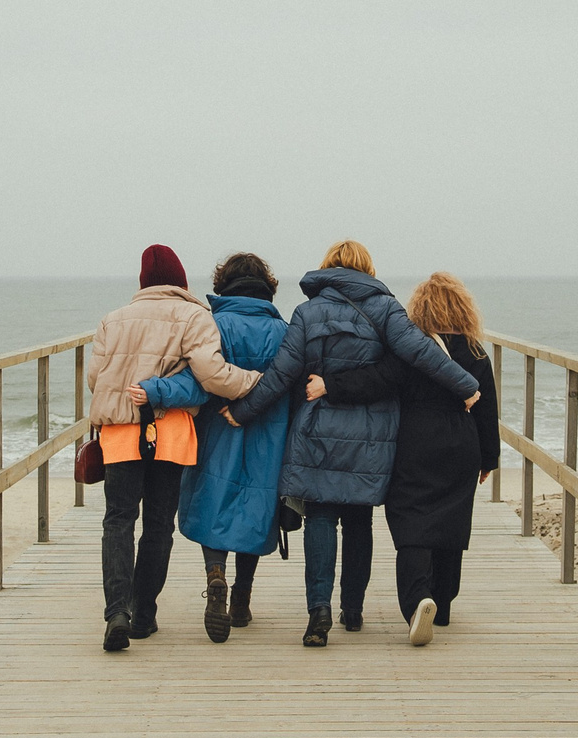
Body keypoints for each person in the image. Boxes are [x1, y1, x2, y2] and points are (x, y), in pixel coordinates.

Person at [222, 240, 478, 648]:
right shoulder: (386, 309)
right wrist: (466, 385)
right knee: (359, 520)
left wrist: (242, 411)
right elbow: (420, 353)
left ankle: (318, 610)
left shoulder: (307, 313)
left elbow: (282, 373)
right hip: (372, 437)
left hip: (317, 431)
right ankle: (353, 610)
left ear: (327, 269)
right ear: (367, 269)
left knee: (320, 518)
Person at [88, 245, 265, 653]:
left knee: (117, 520)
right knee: (157, 525)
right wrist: (257, 382)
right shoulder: (194, 317)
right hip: (168, 434)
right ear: (181, 280)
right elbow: (213, 375)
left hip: (118, 434)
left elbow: (96, 378)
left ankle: (117, 611)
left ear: (142, 282)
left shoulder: (111, 320)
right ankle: (144, 614)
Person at [311, 272, 499, 646]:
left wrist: (330, 385)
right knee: (451, 522)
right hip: (462, 442)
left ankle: (417, 603)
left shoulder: (412, 348)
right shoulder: (476, 351)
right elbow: (487, 408)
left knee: (413, 521)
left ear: (420, 310)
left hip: (416, 441)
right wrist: (488, 458)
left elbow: (377, 379)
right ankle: (442, 603)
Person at [130, 253, 293, 643]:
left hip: (216, 430)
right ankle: (241, 598)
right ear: (267, 287)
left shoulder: (212, 325)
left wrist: (155, 390)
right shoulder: (285, 331)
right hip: (268, 437)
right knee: (256, 510)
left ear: (223, 284)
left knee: (212, 504)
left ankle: (214, 575)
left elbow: (194, 382)